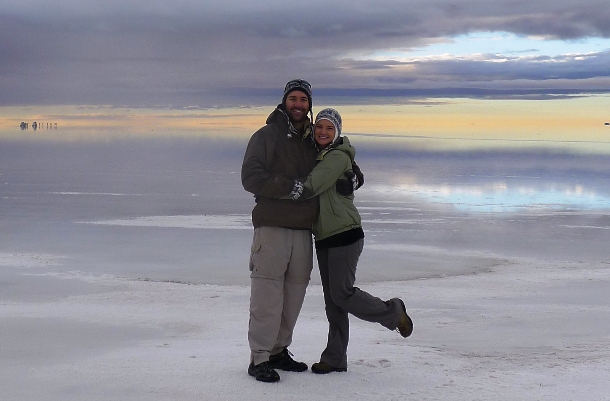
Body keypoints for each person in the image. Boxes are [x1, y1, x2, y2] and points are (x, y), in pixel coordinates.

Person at [241, 80, 361, 383]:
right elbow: (251, 177)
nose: (298, 104)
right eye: (293, 98)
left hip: (304, 229)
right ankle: (259, 358)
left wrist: (355, 178)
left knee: (293, 294)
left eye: (304, 99)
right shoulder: (266, 136)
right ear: (284, 102)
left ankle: (279, 350)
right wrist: (288, 188)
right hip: (272, 226)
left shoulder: (311, 140)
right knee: (267, 293)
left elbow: (336, 155)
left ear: (309, 105)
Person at [288, 108, 413, 374]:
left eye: (329, 128)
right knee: (333, 302)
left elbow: (311, 185)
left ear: (337, 133)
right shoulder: (320, 154)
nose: (323, 132)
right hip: (324, 236)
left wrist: (274, 187)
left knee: (342, 295)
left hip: (344, 234)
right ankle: (334, 358)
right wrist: (357, 176)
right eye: (320, 126)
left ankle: (394, 312)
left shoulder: (335, 157)